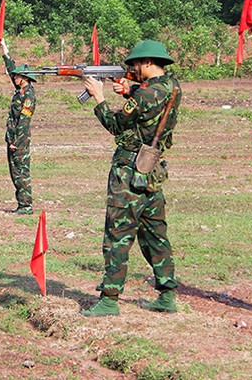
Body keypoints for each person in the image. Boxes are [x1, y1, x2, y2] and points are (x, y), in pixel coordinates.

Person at [80, 40, 182, 316]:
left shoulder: (143, 96)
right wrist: (130, 89)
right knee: (155, 233)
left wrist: (99, 98)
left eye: (135, 64)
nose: (132, 69)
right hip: (152, 171)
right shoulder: (172, 87)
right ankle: (167, 293)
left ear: (147, 62)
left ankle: (109, 299)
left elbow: (115, 125)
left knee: (118, 234)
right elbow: (149, 97)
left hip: (129, 172)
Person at [0, 38, 37, 215]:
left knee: (21, 172)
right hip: (13, 138)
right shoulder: (19, 90)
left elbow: (24, 121)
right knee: (14, 172)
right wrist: (4, 49)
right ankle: (22, 204)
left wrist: (15, 141)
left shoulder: (28, 95)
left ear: (24, 78)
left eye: (17, 76)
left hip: (19, 140)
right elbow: (10, 68)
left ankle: (26, 206)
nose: (14, 77)